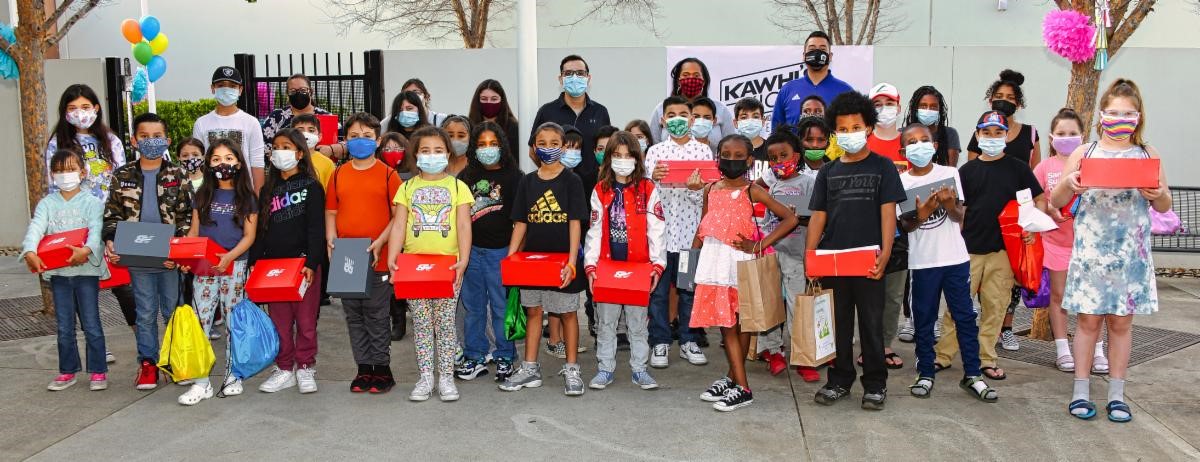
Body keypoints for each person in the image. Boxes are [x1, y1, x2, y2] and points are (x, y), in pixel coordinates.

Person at [1052, 79, 1166, 422]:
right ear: (1102, 114)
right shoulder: (1084, 153)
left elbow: (1165, 204)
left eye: (1128, 113)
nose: (1120, 118)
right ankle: (1081, 392)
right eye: (1114, 112)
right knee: (1087, 322)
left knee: (1121, 324)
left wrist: (1155, 193)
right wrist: (1068, 185)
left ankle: (1117, 395)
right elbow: (1056, 202)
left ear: (1138, 116)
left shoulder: (1147, 154)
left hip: (1130, 257)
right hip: (1091, 255)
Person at [808, 92, 905, 410]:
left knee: (871, 325)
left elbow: (888, 214)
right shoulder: (828, 171)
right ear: (835, 132)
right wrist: (811, 257)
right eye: (843, 129)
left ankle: (875, 384)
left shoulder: (883, 167)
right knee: (837, 325)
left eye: (856, 127)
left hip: (869, 261)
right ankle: (839, 380)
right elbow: (818, 216)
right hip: (833, 261)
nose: (850, 134)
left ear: (868, 127)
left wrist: (885, 253)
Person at [936, 110, 1044, 382]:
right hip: (968, 250)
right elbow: (959, 211)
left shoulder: (1018, 168)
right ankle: (944, 355)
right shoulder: (967, 171)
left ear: (1006, 136)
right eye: (987, 132)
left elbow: (1039, 200)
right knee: (957, 306)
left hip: (1003, 253)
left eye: (998, 133)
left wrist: (1031, 227)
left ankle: (987, 359)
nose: (993, 137)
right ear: (977, 135)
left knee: (995, 307)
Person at [694, 134, 798, 412]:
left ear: (750, 160)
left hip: (739, 263)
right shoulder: (710, 189)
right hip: (713, 263)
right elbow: (703, 227)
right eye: (725, 154)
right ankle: (731, 378)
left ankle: (743, 388)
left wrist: (759, 244)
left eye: (739, 156)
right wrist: (690, 260)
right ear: (718, 158)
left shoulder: (753, 190)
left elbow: (790, 218)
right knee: (731, 325)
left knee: (733, 324)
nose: (731, 159)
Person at [897, 123, 997, 402]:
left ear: (935, 145)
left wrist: (949, 204)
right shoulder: (902, 182)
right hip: (923, 263)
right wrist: (925, 210)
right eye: (912, 142)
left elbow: (958, 216)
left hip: (955, 259)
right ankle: (925, 372)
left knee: (964, 316)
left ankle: (973, 374)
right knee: (925, 319)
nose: (919, 146)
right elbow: (906, 225)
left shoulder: (950, 173)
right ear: (903, 150)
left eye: (924, 140)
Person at [103, 112, 192, 391]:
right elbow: (111, 214)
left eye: (157, 137)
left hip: (168, 259)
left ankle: (176, 361)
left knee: (172, 311)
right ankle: (148, 364)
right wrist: (111, 240)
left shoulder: (178, 174)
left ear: (166, 140)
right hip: (138, 257)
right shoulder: (123, 175)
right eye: (144, 137)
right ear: (134, 140)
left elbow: (187, 217)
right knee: (144, 313)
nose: (150, 142)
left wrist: (177, 253)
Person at [498, 122, 588, 396]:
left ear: (563, 146)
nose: (548, 148)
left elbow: (575, 224)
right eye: (542, 142)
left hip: (562, 264)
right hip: (532, 264)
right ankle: (529, 368)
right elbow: (521, 223)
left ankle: (572, 368)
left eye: (553, 142)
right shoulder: (528, 181)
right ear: (533, 147)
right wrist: (511, 259)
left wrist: (572, 263)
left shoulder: (571, 180)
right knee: (534, 311)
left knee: (568, 313)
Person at [388, 126, 474, 402]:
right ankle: (426, 377)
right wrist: (392, 257)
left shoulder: (458, 186)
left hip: (448, 267)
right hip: (414, 267)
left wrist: (463, 260)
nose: (432, 155)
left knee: (445, 323)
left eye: (438, 150)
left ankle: (446, 378)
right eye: (425, 151)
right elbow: (399, 224)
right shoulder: (407, 188)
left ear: (448, 154)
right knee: (423, 324)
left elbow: (463, 224)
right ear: (415, 154)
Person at [45, 84, 129, 364]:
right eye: (72, 108)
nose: (79, 113)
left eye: (85, 107)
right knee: (83, 286)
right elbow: (52, 184)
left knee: (124, 284)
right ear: (64, 112)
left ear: (96, 108)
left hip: (109, 220)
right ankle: (97, 346)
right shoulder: (58, 142)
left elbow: (121, 180)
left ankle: (142, 337)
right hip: (75, 223)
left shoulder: (111, 140)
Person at [176, 139, 259, 406]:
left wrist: (230, 257)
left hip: (235, 266)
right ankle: (201, 381)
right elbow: (194, 231)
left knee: (234, 321)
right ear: (208, 164)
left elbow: (249, 236)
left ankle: (233, 374)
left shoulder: (247, 197)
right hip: (205, 268)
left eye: (229, 158)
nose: (223, 164)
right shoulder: (202, 195)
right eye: (215, 159)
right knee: (201, 321)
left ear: (239, 162)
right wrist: (187, 257)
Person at [583, 131, 666, 391]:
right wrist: (591, 266)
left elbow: (657, 229)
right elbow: (594, 230)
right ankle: (605, 368)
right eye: (617, 155)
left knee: (638, 324)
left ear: (637, 158)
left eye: (628, 155)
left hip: (639, 269)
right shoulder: (601, 190)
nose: (622, 160)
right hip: (607, 268)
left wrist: (657, 265)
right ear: (608, 158)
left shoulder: (648, 188)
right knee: (605, 323)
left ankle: (640, 369)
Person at [325, 113, 402, 394]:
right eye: (354, 136)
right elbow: (331, 213)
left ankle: (382, 370)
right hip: (347, 257)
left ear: (378, 141)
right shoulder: (338, 174)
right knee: (354, 315)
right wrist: (331, 241)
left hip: (377, 258)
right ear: (346, 141)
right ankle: (363, 369)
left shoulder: (388, 175)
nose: (361, 141)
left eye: (367, 137)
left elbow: (398, 216)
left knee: (376, 314)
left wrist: (382, 241)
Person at [26, 149, 108, 392]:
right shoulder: (47, 204)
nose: (65, 175)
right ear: (52, 175)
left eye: (70, 169)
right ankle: (67, 370)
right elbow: (36, 228)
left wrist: (87, 250)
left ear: (82, 173)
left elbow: (96, 230)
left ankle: (98, 369)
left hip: (86, 273)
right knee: (64, 326)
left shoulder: (93, 203)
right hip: (59, 275)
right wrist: (30, 250)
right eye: (59, 171)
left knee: (91, 323)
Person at [251, 128, 326, 395]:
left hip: (303, 266)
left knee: (305, 322)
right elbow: (261, 230)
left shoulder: (312, 187)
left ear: (299, 152)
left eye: (286, 146)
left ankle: (305, 366)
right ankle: (284, 368)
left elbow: (316, 229)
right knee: (280, 322)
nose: (280, 151)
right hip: (273, 268)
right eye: (276, 146)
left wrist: (312, 261)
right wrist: (255, 262)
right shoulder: (268, 190)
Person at [1034, 108, 1109, 374]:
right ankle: (1062, 349)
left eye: (1073, 133)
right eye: (1061, 133)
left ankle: (1097, 351)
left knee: (1093, 299)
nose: (1067, 138)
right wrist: (1049, 209)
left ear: (1083, 136)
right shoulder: (1044, 167)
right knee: (1060, 296)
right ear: (1052, 137)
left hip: (1089, 244)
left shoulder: (1092, 162)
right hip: (1055, 243)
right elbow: (1036, 201)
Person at [644, 96, 712, 369]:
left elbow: (707, 197)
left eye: (683, 114)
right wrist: (653, 180)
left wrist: (696, 190)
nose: (677, 119)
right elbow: (646, 197)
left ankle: (688, 340)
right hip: (659, 239)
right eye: (670, 114)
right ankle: (659, 342)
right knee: (658, 292)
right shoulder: (654, 153)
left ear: (692, 119)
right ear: (662, 120)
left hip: (690, 238)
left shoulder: (704, 153)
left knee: (688, 291)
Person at [455, 121, 524, 382]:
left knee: (500, 307)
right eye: (482, 144)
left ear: (502, 146)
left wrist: (513, 254)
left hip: (501, 253)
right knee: (473, 307)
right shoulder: (466, 176)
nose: (487, 149)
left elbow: (521, 220)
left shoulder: (514, 177)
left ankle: (505, 355)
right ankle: (475, 356)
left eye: (492, 144)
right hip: (471, 253)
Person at [752, 129, 820, 382]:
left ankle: (803, 356)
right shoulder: (770, 186)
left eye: (784, 155)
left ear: (797, 155)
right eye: (773, 158)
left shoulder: (809, 183)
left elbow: (818, 217)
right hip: (772, 253)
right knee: (769, 304)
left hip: (796, 255)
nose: (779, 161)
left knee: (798, 305)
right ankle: (773, 350)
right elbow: (767, 220)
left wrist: (799, 218)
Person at [528, 54, 612, 196]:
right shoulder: (547, 111)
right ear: (560, 79)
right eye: (568, 73)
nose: (574, 77)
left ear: (588, 78)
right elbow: (533, 151)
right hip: (556, 190)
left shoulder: (600, 112)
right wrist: (552, 173)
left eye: (580, 73)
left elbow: (608, 149)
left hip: (593, 190)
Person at [192, 66, 267, 192]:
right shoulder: (201, 123)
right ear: (212, 88)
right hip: (212, 193)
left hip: (244, 194)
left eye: (232, 86)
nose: (226, 89)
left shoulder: (251, 123)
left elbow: (257, 164)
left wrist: (258, 200)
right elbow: (199, 162)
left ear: (240, 90)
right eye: (221, 85)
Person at [773, 31, 856, 129]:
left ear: (830, 56)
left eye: (822, 49)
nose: (817, 53)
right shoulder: (787, 90)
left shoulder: (845, 91)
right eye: (812, 49)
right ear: (804, 56)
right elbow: (777, 132)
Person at [649, 58, 736, 144]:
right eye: (686, 75)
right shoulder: (661, 108)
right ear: (678, 81)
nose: (691, 79)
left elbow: (731, 142)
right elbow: (654, 142)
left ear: (704, 81)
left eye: (696, 75)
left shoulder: (720, 109)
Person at [967, 69, 1042, 168]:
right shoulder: (982, 132)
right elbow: (972, 171)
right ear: (991, 101)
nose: (1003, 100)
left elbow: (1036, 172)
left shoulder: (1030, 133)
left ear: (1018, 104)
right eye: (999, 96)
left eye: (1010, 98)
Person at [260, 74, 334, 147]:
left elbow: (342, 141)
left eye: (303, 90)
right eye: (293, 91)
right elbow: (262, 143)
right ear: (287, 94)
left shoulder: (326, 116)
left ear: (311, 92)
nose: (298, 94)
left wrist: (332, 149)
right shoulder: (276, 116)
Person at [905, 85, 961, 167]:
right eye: (923, 106)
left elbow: (950, 169)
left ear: (939, 110)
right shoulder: (903, 133)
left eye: (933, 107)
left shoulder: (949, 133)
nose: (928, 110)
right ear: (915, 109)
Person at [467, 79, 521, 156]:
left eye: (494, 99)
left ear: (501, 101)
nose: (489, 102)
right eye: (484, 99)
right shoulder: (469, 126)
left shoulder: (513, 128)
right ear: (477, 101)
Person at [288, 114, 336, 188]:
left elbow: (331, 191)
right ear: (291, 135)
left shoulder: (327, 163)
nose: (306, 134)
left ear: (319, 137)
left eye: (311, 130)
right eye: (300, 130)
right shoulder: (286, 159)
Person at [867, 83, 904, 164]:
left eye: (889, 104)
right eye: (878, 105)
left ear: (898, 109)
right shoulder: (862, 146)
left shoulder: (909, 144)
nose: (884, 108)